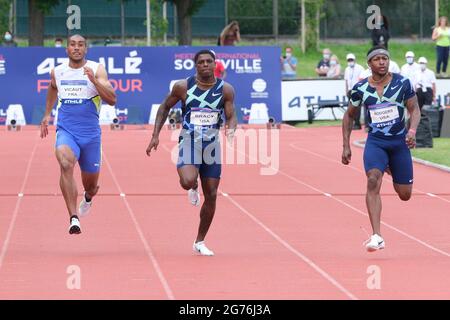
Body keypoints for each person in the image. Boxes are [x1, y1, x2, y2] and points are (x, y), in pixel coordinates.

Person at [146, 49, 237, 256]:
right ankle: (192, 186)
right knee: (187, 180)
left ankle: (200, 241)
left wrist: (231, 129)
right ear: (195, 66)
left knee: (212, 194)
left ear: (215, 64)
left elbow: (231, 115)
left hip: (211, 145)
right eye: (201, 62)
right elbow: (164, 107)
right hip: (189, 140)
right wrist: (155, 135)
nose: (205, 65)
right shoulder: (183, 87)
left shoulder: (226, 90)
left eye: (209, 61)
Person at [341, 46, 420, 252]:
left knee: (405, 194)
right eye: (377, 59)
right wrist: (346, 146)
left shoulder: (402, 82)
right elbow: (349, 115)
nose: (382, 62)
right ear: (369, 64)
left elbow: (414, 109)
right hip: (376, 142)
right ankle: (377, 235)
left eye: (385, 58)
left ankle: (392, 168)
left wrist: (411, 131)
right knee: (373, 179)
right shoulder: (360, 89)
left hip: (399, 143)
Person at [40, 34, 116, 234]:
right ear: (66, 49)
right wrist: (47, 114)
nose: (76, 48)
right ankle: (73, 218)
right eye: (72, 45)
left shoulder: (97, 69)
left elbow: (112, 99)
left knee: (90, 185)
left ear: (86, 49)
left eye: (80, 45)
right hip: (67, 131)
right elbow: (52, 88)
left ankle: (89, 197)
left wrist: (94, 81)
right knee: (65, 164)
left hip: (91, 136)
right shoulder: (57, 71)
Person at [344, 53, 365, 129]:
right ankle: (352, 122)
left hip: (357, 90)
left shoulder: (360, 68)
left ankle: (357, 123)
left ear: (354, 60)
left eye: (351, 60)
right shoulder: (347, 69)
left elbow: (362, 79)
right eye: (349, 60)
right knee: (351, 107)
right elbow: (346, 80)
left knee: (357, 107)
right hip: (350, 90)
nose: (350, 61)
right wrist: (346, 90)